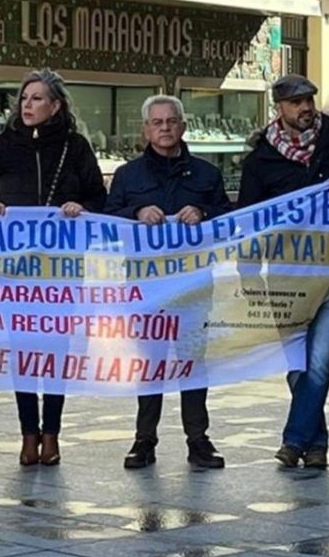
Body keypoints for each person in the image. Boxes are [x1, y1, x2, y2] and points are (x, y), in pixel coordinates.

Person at [238, 74, 329, 468]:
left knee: (319, 358)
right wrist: (249, 275)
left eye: (309, 100)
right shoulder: (262, 158)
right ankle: (316, 443)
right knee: (294, 360)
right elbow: (249, 219)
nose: (305, 108)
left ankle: (293, 440)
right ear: (279, 109)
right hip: (286, 275)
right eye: (295, 103)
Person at [0, 68, 107, 466]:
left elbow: (99, 198)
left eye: (36, 99)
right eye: (24, 99)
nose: (27, 105)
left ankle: (52, 434)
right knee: (23, 352)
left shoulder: (76, 147)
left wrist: (80, 208)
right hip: (13, 269)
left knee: (55, 351)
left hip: (60, 270)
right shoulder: (2, 146)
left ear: (56, 105)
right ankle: (28, 433)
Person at [105, 94, 232, 470]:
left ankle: (198, 439)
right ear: (145, 129)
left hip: (194, 287)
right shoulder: (128, 176)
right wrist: (136, 211)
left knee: (193, 362)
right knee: (151, 364)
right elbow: (109, 219)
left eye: (171, 121)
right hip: (147, 289)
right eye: (156, 122)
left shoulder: (207, 174)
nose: (164, 128)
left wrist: (205, 212)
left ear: (183, 126)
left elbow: (228, 219)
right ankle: (144, 440)